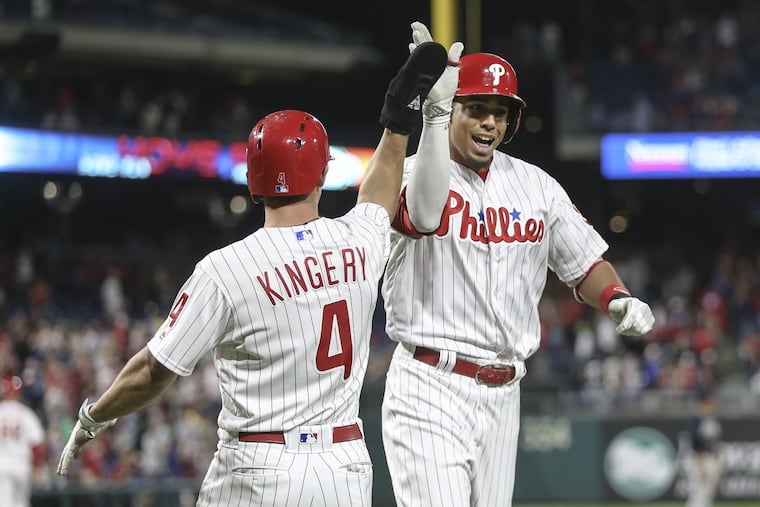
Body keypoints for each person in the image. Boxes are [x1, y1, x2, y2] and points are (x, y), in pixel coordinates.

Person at [56, 41, 449, 506]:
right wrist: (398, 118)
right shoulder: (359, 240)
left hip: (259, 468)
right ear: (324, 172)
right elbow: (380, 191)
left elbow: (153, 371)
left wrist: (92, 418)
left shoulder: (226, 269)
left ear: (253, 181)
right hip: (342, 468)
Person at [380, 22, 656, 506]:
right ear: (450, 107)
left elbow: (584, 262)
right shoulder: (408, 172)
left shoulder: (537, 186)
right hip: (429, 382)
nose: (490, 122)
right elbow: (423, 215)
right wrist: (433, 118)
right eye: (477, 109)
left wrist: (617, 297)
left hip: (504, 390)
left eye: (500, 113)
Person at [0, 375, 46, 507]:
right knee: (21, 503)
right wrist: (37, 468)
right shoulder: (26, 413)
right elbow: (37, 444)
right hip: (22, 465)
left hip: (1, 464)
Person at [684, 391, 723, 507]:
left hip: (709, 458)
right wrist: (701, 463)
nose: (710, 406)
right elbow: (695, 443)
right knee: (699, 492)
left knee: (707, 493)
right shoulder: (695, 421)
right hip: (700, 459)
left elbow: (714, 442)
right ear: (701, 404)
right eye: (707, 403)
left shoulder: (710, 420)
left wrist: (717, 459)